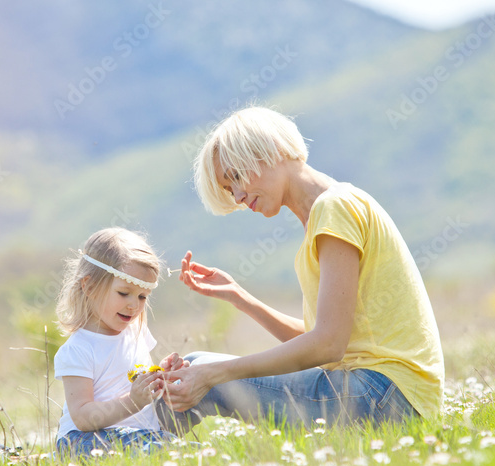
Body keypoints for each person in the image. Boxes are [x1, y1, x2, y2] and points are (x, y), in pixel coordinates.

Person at [159, 106, 444, 432]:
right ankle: (148, 448)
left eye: (236, 176)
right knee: (194, 369)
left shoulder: (334, 208)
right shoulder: (326, 215)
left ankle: (144, 451)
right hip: (390, 395)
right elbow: (321, 340)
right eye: (228, 188)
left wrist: (214, 374)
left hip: (384, 395)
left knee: (194, 368)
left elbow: (328, 344)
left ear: (272, 150)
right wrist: (240, 298)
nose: (237, 196)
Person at [51, 227, 187, 457]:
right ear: (90, 286)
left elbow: (134, 377)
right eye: (124, 293)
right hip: (83, 440)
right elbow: (83, 417)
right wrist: (132, 402)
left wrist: (160, 376)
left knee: (164, 445)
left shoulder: (136, 333)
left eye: (142, 296)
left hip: (138, 433)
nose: (134, 305)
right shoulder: (79, 349)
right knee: (160, 448)